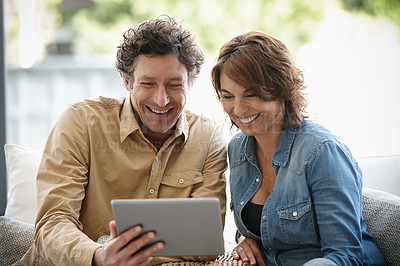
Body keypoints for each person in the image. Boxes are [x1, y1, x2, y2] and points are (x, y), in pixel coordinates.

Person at [17, 15, 227, 266]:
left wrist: (124, 253)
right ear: (126, 81)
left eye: (174, 85)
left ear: (190, 84)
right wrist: (99, 256)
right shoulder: (81, 122)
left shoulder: (207, 138)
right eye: (147, 83)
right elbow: (52, 223)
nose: (162, 100)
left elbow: (204, 242)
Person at [211, 31, 386, 266]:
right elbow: (261, 228)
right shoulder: (237, 150)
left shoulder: (322, 151)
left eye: (251, 94)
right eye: (228, 96)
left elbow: (346, 255)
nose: (239, 109)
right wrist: (246, 240)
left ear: (281, 88)